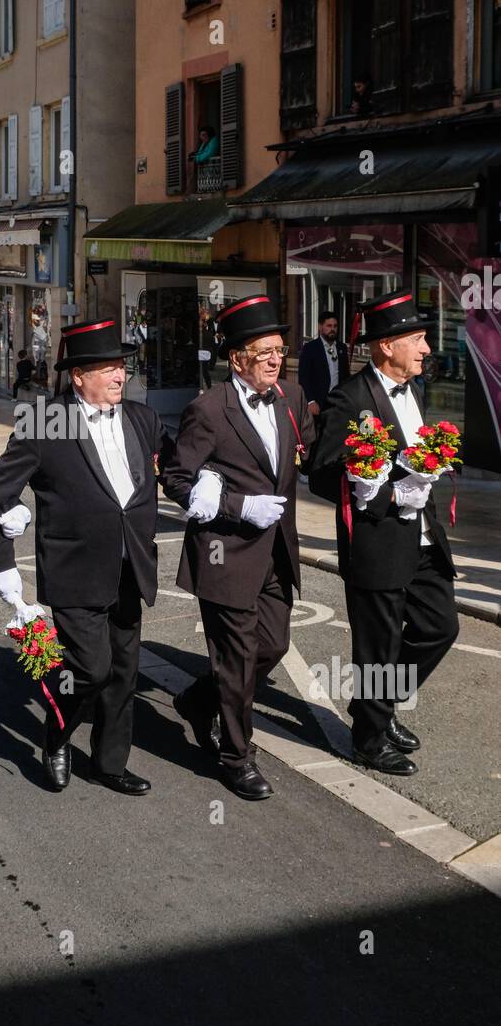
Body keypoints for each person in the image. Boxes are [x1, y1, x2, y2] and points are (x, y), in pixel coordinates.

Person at [0, 319, 175, 796]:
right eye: (106, 368)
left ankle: (110, 763)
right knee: (91, 669)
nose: (118, 376)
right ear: (77, 376)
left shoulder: (142, 418)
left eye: (121, 367)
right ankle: (57, 733)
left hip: (132, 565)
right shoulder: (45, 419)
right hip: (74, 569)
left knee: (124, 672)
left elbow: (174, 468)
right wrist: (4, 560)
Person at [161, 294, 315, 801]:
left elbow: (309, 450)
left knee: (272, 646)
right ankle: (234, 757)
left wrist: (371, 463)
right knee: (236, 658)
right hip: (224, 552)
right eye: (264, 351)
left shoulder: (290, 397)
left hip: (276, 551)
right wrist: (235, 506)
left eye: (279, 349)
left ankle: (197, 699)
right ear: (238, 359)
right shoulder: (208, 409)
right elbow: (178, 478)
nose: (276, 358)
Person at [309, 290, 458, 775]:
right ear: (387, 345)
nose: (426, 349)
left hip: (423, 536)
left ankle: (379, 704)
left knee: (440, 627)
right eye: (417, 339)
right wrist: (384, 491)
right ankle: (369, 740)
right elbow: (322, 471)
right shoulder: (349, 398)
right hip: (377, 541)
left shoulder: (413, 390)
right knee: (377, 644)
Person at [298, 310, 350, 427]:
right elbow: (303, 378)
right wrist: (310, 401)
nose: (333, 329)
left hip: (337, 402)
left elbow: (345, 376)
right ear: (320, 327)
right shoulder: (310, 348)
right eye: (329, 326)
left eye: (335, 326)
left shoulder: (342, 348)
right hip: (318, 402)